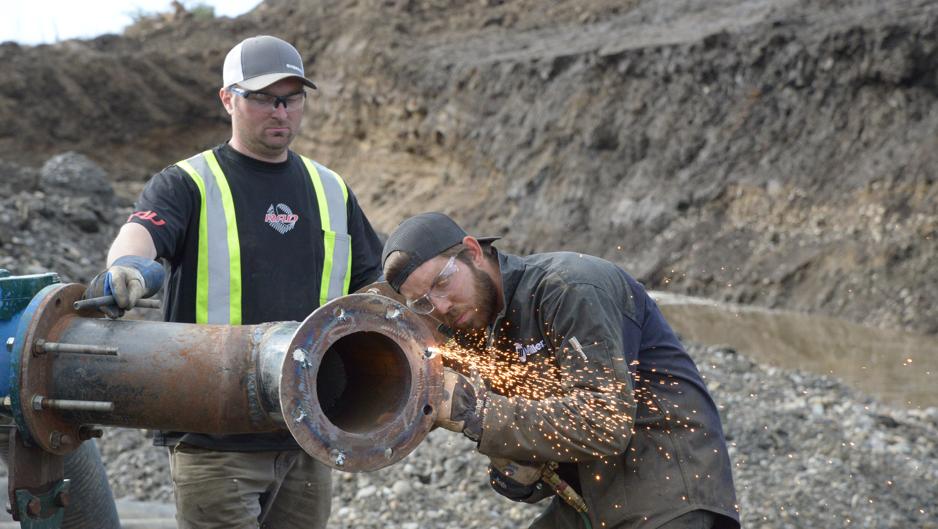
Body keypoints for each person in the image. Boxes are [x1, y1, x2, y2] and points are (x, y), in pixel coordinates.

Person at [85, 35, 383, 529]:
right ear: (228, 98)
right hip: (215, 436)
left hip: (307, 433)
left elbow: (371, 285)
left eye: (291, 98)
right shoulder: (188, 182)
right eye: (263, 98)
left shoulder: (330, 188)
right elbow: (141, 233)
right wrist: (127, 268)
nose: (280, 112)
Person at [381, 212, 740, 529]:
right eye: (424, 302)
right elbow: (550, 423)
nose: (440, 305)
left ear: (473, 251)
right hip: (593, 500)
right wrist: (525, 473)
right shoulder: (483, 323)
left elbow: (604, 422)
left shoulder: (569, 289)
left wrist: (477, 414)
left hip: (666, 495)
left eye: (442, 282)